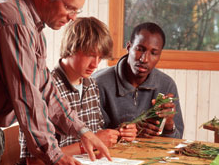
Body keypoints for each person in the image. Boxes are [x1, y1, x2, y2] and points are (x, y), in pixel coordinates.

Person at [0, 0, 111, 165]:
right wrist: (54, 155)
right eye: (69, 8)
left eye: (77, 10)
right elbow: (27, 96)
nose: (73, 17)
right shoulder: (15, 22)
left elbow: (46, 90)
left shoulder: (31, 27)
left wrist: (83, 132)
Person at [18, 17, 137, 164]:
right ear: (71, 47)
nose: (95, 64)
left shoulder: (91, 84)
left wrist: (118, 134)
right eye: (90, 55)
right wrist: (86, 144)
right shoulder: (43, 87)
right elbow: (34, 161)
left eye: (100, 57)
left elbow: (95, 136)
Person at [93, 22, 184, 139]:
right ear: (129, 47)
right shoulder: (98, 83)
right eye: (140, 49)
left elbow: (177, 140)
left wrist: (169, 125)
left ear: (159, 55)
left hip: (152, 156)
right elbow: (91, 137)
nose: (144, 59)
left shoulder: (166, 84)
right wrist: (125, 132)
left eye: (153, 53)